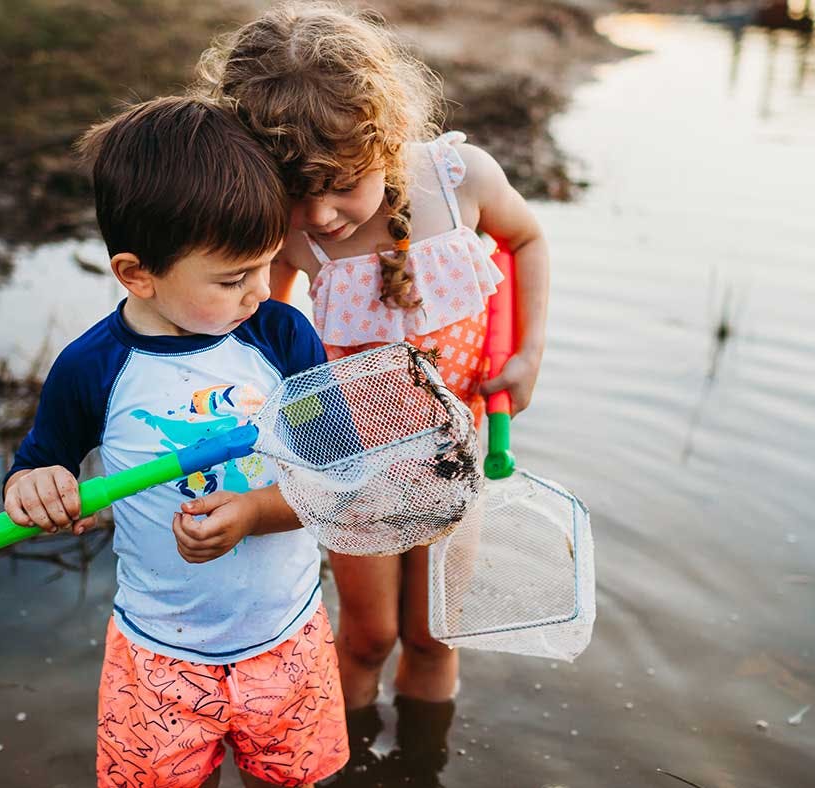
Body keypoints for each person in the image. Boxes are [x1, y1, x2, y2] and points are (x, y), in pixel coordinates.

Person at [198, 0, 551, 761]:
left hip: (460, 455)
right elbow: (266, 335)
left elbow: (526, 239)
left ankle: (423, 766)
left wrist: (528, 354)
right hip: (351, 462)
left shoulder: (463, 181)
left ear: (386, 135)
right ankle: (342, 764)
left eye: (340, 187)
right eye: (298, 193)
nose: (321, 214)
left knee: (432, 634)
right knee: (367, 636)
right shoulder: (291, 239)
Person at [2, 94, 347, 788]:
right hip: (157, 658)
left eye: (266, 264)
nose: (260, 291)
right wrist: (34, 492)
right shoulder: (92, 368)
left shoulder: (282, 337)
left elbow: (338, 478)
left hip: (288, 640)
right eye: (232, 278)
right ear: (137, 274)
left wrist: (256, 514)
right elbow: (37, 471)